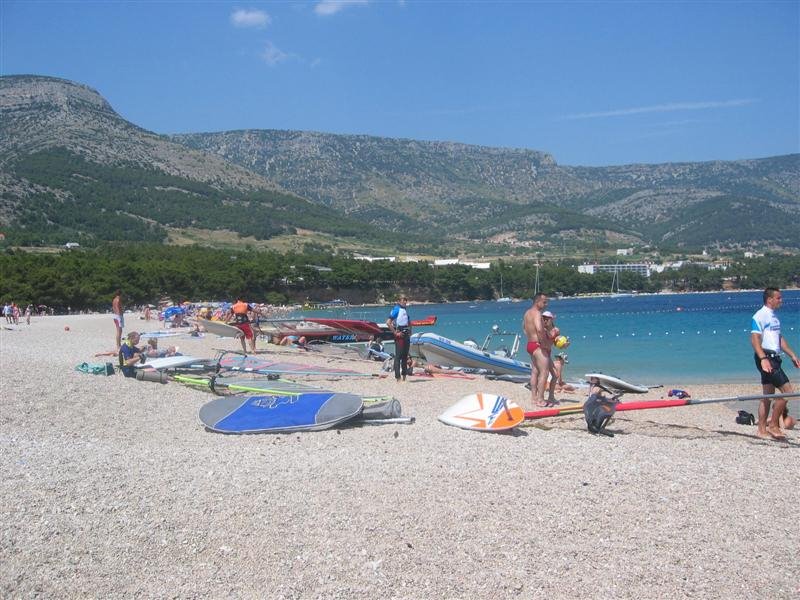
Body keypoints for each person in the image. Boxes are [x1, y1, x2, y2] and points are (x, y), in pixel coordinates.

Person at [750, 287, 800, 440]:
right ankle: (773, 425)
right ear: (769, 299)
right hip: (767, 358)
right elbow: (755, 339)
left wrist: (792, 355)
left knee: (767, 395)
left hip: (774, 357)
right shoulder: (760, 315)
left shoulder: (774, 317)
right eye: (778, 298)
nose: (781, 300)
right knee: (787, 391)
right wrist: (763, 359)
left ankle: (761, 429)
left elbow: (779, 339)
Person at [523, 294, 554, 407]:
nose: (546, 305)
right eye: (544, 302)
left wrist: (531, 337)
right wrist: (544, 343)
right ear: (537, 302)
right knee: (544, 373)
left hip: (530, 344)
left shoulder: (527, 313)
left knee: (535, 371)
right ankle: (541, 400)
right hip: (538, 345)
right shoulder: (537, 313)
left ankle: (534, 398)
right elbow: (540, 329)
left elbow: (524, 328)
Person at [386, 296, 412, 381]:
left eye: (406, 300)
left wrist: (411, 330)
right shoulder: (396, 309)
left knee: (405, 356)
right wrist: (395, 333)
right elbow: (388, 322)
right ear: (399, 301)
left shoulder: (404, 310)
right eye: (403, 300)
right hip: (399, 334)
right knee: (398, 356)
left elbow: (408, 322)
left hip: (406, 334)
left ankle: (404, 376)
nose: (405, 302)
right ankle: (398, 377)